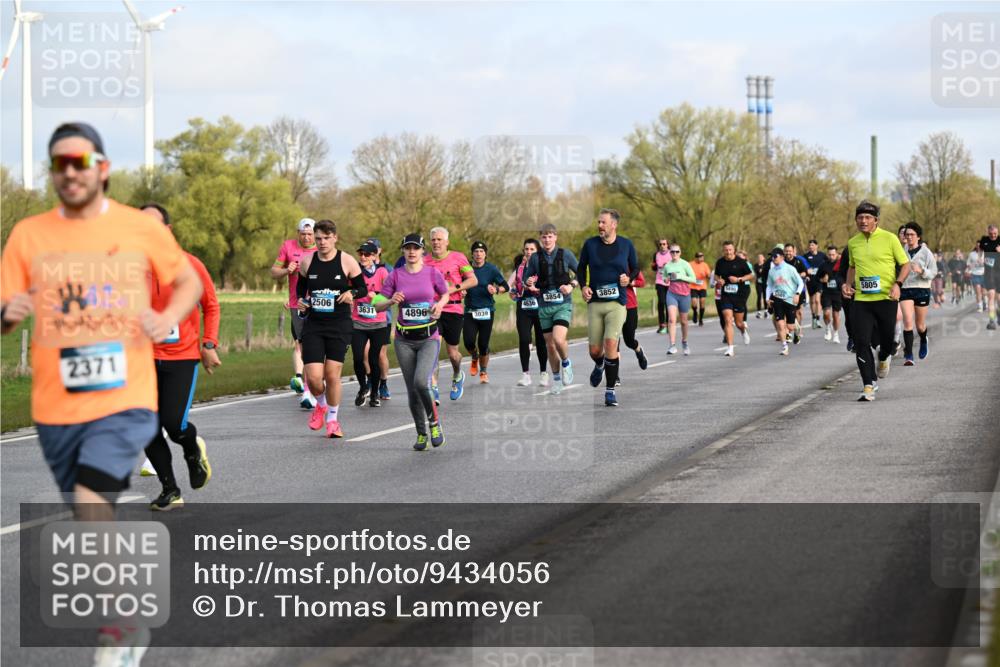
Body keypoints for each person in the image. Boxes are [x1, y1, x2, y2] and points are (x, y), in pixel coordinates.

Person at [1, 122, 203, 666]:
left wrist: (167, 315)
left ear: (102, 168)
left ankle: (118, 626)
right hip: (55, 406)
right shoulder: (28, 235)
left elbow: (188, 281)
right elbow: (4, 307)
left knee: (92, 500)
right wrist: (8, 312)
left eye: (80, 162)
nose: (70, 172)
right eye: (59, 164)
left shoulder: (139, 228)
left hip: (124, 398)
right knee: (88, 517)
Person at [137, 204, 220, 512]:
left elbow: (211, 305)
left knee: (173, 424)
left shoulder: (189, 265)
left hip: (181, 356)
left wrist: (209, 343)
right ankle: (170, 490)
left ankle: (192, 447)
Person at [372, 234, 450, 451]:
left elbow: (445, 294)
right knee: (412, 390)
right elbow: (377, 305)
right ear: (403, 251)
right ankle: (421, 433)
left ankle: (434, 423)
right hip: (404, 340)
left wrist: (440, 305)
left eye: (416, 248)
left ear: (423, 250)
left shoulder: (432, 273)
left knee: (421, 382)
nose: (412, 251)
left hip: (428, 338)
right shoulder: (395, 275)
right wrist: (390, 300)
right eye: (408, 248)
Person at [297, 220, 367, 438]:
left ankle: (333, 421)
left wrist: (351, 293)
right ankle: (321, 405)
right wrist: (302, 301)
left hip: (339, 325)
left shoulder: (347, 261)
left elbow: (362, 288)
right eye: (318, 238)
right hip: (314, 325)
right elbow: (300, 290)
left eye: (326, 238)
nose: (322, 242)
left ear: (335, 238)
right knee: (314, 378)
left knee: (332, 375)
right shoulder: (307, 262)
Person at [842, 200, 911, 402]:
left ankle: (883, 357)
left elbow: (905, 265)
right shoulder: (853, 242)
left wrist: (898, 284)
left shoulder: (889, 239)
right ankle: (868, 385)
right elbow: (852, 266)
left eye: (867, 218)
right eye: (859, 218)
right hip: (862, 300)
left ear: (876, 220)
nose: (863, 221)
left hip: (886, 298)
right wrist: (848, 284)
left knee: (887, 343)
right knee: (861, 342)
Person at [577, 208, 638, 407]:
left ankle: (610, 391)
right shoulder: (590, 244)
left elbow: (636, 268)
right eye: (599, 222)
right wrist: (583, 286)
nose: (599, 225)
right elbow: (580, 268)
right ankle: (599, 364)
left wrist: (629, 279)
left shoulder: (626, 244)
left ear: (614, 224)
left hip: (617, 302)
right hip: (595, 302)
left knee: (611, 343)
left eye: (603, 222)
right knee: (595, 351)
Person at [522, 223, 580, 395]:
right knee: (550, 346)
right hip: (544, 306)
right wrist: (529, 282)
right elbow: (526, 278)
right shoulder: (535, 258)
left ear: (555, 237)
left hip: (563, 304)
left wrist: (571, 285)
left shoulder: (565, 254)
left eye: (550, 236)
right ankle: (556, 380)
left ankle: (566, 362)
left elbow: (581, 273)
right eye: (544, 237)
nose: (547, 240)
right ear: (540, 238)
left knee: (558, 340)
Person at [424, 226, 478, 402]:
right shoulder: (424, 261)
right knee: (433, 349)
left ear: (447, 241)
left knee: (453, 354)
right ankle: (433, 388)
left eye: (439, 239)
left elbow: (473, 280)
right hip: (433, 310)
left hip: (453, 309)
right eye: (433, 240)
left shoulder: (458, 258)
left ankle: (457, 374)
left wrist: (453, 289)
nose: (436, 243)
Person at [271, 218, 318, 409]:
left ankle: (314, 384)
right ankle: (308, 389)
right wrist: (286, 270)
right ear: (298, 233)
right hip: (296, 304)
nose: (306, 237)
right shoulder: (288, 246)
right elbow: (274, 272)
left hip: (319, 304)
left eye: (310, 234)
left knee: (317, 345)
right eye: (303, 234)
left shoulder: (322, 248)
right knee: (304, 346)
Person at [351, 241, 390, 407]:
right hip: (358, 323)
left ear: (374, 256)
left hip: (378, 324)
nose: (363, 257)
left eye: (366, 254)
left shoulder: (382, 272)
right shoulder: (355, 271)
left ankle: (374, 393)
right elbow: (347, 289)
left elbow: (390, 293)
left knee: (374, 360)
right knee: (358, 358)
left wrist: (377, 296)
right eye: (360, 254)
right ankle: (363, 387)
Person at [463, 241, 509, 384]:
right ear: (472, 254)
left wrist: (496, 290)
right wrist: (461, 290)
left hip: (487, 311)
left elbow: (505, 286)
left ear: (485, 254)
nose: (479, 254)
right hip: (470, 311)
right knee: (468, 342)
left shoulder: (491, 269)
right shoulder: (466, 269)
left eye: (481, 251)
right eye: (476, 251)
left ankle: (483, 371)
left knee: (483, 344)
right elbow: (457, 284)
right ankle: (474, 356)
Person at [509, 239, 549, 387]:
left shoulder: (543, 266)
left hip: (540, 307)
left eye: (532, 249)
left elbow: (548, 286)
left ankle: (543, 373)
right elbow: (512, 285)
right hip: (523, 307)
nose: (528, 252)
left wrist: (535, 288)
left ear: (538, 251)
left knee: (540, 341)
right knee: (524, 339)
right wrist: (512, 291)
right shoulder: (520, 267)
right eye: (526, 249)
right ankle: (525, 374)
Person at [899, 222, 937, 365]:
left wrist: (921, 271)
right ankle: (909, 355)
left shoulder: (926, 252)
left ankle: (923, 339)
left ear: (918, 237)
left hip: (922, 289)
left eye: (912, 234)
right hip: (905, 289)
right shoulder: (900, 251)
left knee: (920, 325)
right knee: (908, 322)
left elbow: (934, 272)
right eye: (906, 234)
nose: (908, 237)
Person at [714, 241, 753, 357]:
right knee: (727, 319)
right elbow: (716, 275)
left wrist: (739, 279)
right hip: (726, 294)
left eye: (730, 250)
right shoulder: (720, 262)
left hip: (739, 295)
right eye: (726, 250)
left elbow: (751, 275)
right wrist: (719, 280)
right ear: (723, 251)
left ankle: (743, 330)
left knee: (739, 323)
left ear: (734, 250)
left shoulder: (741, 262)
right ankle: (730, 348)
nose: (728, 252)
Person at [365, 237, 393, 400]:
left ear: (379, 251)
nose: (370, 253)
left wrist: (375, 297)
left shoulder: (387, 269)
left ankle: (383, 383)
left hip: (383, 319)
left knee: (380, 354)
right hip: (363, 319)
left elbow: (392, 292)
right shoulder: (358, 269)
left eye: (373, 250)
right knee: (365, 352)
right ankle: (370, 381)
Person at [660, 244, 696, 355]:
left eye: (677, 251)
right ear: (670, 253)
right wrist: (666, 279)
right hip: (672, 294)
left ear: (680, 253)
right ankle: (672, 345)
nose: (674, 253)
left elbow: (693, 279)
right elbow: (664, 277)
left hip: (684, 295)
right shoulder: (667, 266)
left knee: (684, 321)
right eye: (672, 252)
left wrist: (680, 277)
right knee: (671, 319)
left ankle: (684, 342)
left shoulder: (685, 264)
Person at [765, 249, 803, 356]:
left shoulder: (790, 269)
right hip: (777, 299)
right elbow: (769, 286)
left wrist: (797, 294)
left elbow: (800, 283)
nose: (773, 258)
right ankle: (784, 346)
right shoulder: (771, 271)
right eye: (771, 256)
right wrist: (767, 298)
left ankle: (796, 331)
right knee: (780, 324)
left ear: (782, 257)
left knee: (790, 327)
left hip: (790, 300)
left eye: (775, 256)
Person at [618, 266, 649, 381]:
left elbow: (642, 282)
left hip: (630, 306)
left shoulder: (630, 264)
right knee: (613, 342)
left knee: (629, 341)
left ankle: (639, 351)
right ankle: (614, 375)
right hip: (614, 306)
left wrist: (630, 282)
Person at [815, 245, 844, 344]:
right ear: (827, 254)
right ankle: (828, 328)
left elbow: (845, 277)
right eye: (829, 255)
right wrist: (822, 279)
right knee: (826, 313)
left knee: (836, 315)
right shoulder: (823, 265)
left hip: (837, 293)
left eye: (833, 254)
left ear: (837, 254)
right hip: (827, 292)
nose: (831, 256)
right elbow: (816, 278)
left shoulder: (841, 265)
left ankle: (836, 334)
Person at [784, 243, 809, 341]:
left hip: (798, 291)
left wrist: (797, 275)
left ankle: (797, 331)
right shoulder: (782, 262)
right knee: (786, 313)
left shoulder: (798, 261)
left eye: (790, 251)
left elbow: (805, 272)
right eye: (786, 251)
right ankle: (788, 334)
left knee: (798, 312)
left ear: (793, 251)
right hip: (785, 291)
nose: (788, 253)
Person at [979, 225, 1000, 330]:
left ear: (998, 232)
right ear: (988, 232)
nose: (993, 235)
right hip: (989, 272)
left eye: (995, 233)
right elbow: (981, 249)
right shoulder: (984, 240)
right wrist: (981, 257)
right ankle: (992, 321)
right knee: (991, 297)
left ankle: (999, 315)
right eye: (991, 234)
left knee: (999, 299)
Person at [803, 239, 825, 329]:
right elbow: (803, 267)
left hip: (819, 280)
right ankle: (814, 317)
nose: (811, 247)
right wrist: (806, 273)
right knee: (812, 301)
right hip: (810, 280)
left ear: (816, 246)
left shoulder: (822, 255)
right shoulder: (806, 256)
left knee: (817, 300)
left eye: (812, 245)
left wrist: (825, 275)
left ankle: (818, 319)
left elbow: (827, 265)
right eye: (809, 245)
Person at [651, 238, 671, 333]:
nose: (662, 246)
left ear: (667, 245)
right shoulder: (656, 254)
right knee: (661, 302)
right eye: (660, 244)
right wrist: (654, 266)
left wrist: (668, 265)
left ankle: (668, 324)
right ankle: (661, 324)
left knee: (668, 303)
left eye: (664, 244)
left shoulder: (671, 253)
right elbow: (654, 267)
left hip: (670, 282)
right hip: (659, 281)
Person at [689, 251, 712, 326]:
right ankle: (695, 312)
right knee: (694, 302)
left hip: (702, 286)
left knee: (702, 302)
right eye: (698, 257)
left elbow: (709, 275)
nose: (700, 259)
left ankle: (701, 319)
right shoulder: (690, 264)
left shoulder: (705, 265)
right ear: (695, 258)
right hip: (693, 286)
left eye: (701, 257)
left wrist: (707, 275)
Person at [968, 243, 986, 312]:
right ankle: (980, 306)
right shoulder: (972, 254)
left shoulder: (985, 253)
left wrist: (983, 262)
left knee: (984, 292)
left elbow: (991, 263)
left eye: (980, 245)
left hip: (984, 274)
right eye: (977, 245)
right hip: (975, 274)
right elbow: (968, 264)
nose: (978, 247)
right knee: (978, 291)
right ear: (976, 246)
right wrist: (974, 264)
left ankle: (984, 302)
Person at [754, 253, 769, 317]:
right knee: (759, 296)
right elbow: (758, 271)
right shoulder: (756, 265)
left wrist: (762, 271)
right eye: (758, 257)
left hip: (765, 283)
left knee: (765, 296)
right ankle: (759, 312)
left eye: (761, 257)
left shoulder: (766, 265)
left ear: (763, 258)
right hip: (758, 283)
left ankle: (766, 311)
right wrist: (761, 270)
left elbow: (767, 272)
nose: (759, 258)